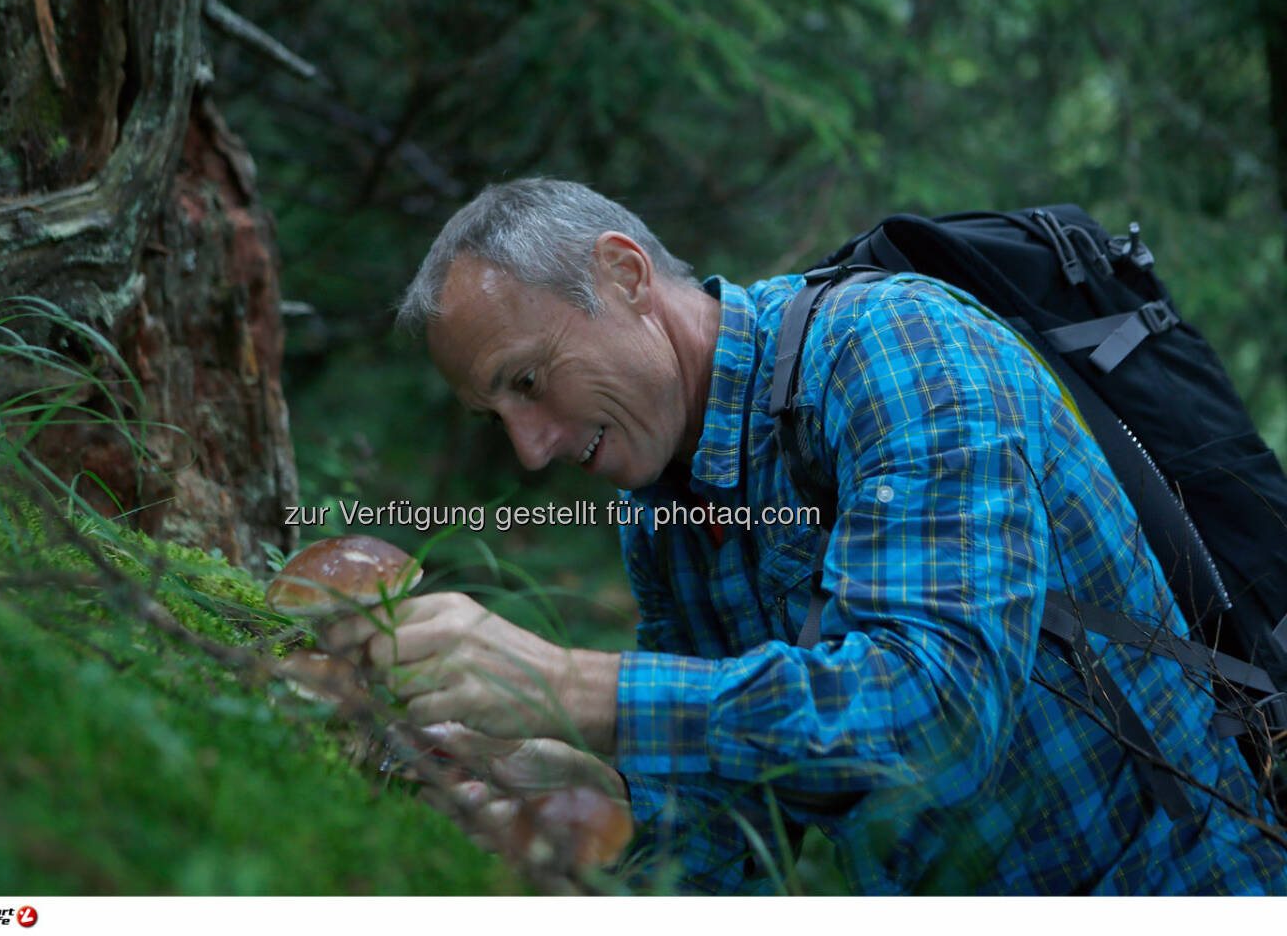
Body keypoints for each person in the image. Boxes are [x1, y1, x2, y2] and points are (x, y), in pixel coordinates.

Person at [327, 177, 1287, 893]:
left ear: (622, 277)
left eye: (529, 381)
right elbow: (743, 828)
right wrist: (574, 783)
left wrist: (568, 687)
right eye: (497, 417)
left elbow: (936, 715)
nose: (530, 450)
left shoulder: (894, 347)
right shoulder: (660, 516)